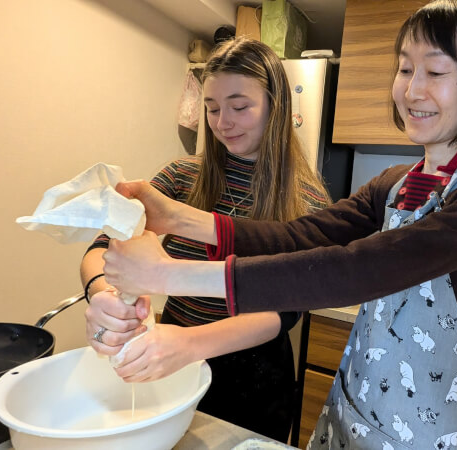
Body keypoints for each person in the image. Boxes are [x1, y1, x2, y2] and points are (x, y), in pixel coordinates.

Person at [99, 1, 457, 448]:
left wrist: (169, 274)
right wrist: (180, 218)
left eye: (435, 73)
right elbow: (298, 238)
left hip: (423, 432)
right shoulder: (393, 184)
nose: (411, 91)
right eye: (405, 70)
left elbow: (360, 268)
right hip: (352, 408)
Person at [80, 37, 330, 442]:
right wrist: (103, 296)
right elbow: (102, 248)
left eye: (239, 106)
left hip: (252, 378)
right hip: (170, 354)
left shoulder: (307, 202)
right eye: (212, 108)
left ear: (275, 106)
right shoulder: (181, 176)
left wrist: (190, 344)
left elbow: (284, 311)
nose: (221, 122)